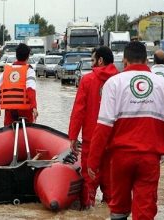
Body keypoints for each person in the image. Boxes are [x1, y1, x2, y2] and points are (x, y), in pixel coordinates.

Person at [87, 41, 164, 220]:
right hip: (149, 159)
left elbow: (103, 127)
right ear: (147, 61)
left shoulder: (113, 83)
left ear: (124, 61)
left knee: (118, 207)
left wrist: (93, 160)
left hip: (119, 159)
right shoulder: (163, 85)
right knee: (145, 210)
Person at [68, 46, 118, 209]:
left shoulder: (87, 80)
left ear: (100, 60)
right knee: (112, 191)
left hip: (91, 141)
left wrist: (73, 137)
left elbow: (79, 111)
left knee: (88, 187)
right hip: (115, 143)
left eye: (92, 60)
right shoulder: (120, 80)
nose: (92, 63)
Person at [0, 43, 38, 126]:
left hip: (10, 113)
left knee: (9, 131)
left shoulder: (6, 72)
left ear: (16, 56)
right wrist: (34, 107)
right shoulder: (29, 71)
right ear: (28, 56)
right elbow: (30, 89)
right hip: (26, 112)